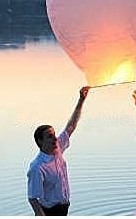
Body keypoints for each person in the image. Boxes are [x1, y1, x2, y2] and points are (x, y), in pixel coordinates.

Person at [27, 86, 90, 216]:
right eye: (50, 136)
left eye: (54, 134)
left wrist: (81, 100)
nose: (55, 138)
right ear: (40, 141)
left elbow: (71, 126)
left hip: (64, 208)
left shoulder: (58, 149)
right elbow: (33, 198)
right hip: (49, 212)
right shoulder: (37, 167)